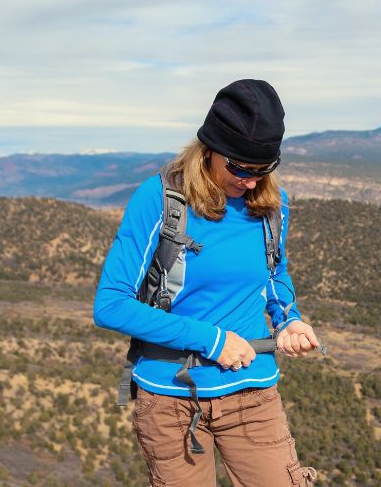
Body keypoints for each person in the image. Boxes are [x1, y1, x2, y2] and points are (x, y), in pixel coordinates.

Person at [93, 79, 319, 486]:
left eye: (263, 170)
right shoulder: (160, 199)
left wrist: (289, 320)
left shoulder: (271, 205)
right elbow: (111, 304)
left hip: (252, 392)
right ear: (209, 148)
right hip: (170, 397)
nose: (250, 182)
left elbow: (272, 274)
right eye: (239, 168)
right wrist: (212, 340)